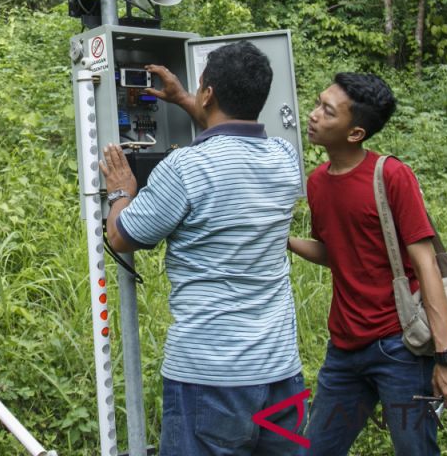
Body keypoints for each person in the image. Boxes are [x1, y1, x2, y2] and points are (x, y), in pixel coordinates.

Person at [99, 40, 307, 456]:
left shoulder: (185, 167)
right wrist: (183, 100)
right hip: (282, 372)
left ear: (208, 93)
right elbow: (231, 140)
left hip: (210, 375)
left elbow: (121, 237)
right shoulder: (286, 159)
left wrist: (121, 191)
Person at [288, 73, 447, 456]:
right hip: (344, 348)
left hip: (399, 347)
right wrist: (283, 241)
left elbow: (426, 265)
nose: (313, 114)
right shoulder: (317, 182)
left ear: (355, 133)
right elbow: (335, 252)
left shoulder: (390, 175)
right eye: (319, 103)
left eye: (327, 111)